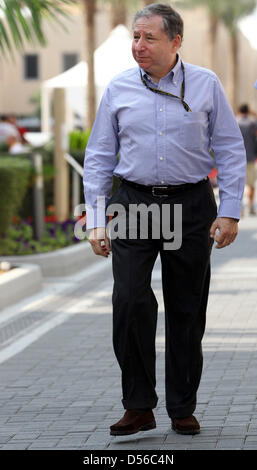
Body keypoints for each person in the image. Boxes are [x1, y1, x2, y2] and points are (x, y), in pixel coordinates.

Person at [83, 3, 246, 436]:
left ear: (175, 41)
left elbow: (230, 149)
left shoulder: (206, 84)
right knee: (130, 299)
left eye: (148, 37)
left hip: (191, 205)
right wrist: (96, 219)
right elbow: (99, 155)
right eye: (135, 37)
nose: (139, 45)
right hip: (133, 203)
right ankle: (138, 405)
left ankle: (181, 406)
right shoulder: (118, 88)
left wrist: (230, 211)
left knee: (187, 308)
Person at [237, 104, 257, 215]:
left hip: (237, 158)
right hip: (250, 157)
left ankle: (239, 209)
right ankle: (250, 206)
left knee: (239, 185)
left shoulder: (235, 122)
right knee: (251, 184)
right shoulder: (252, 123)